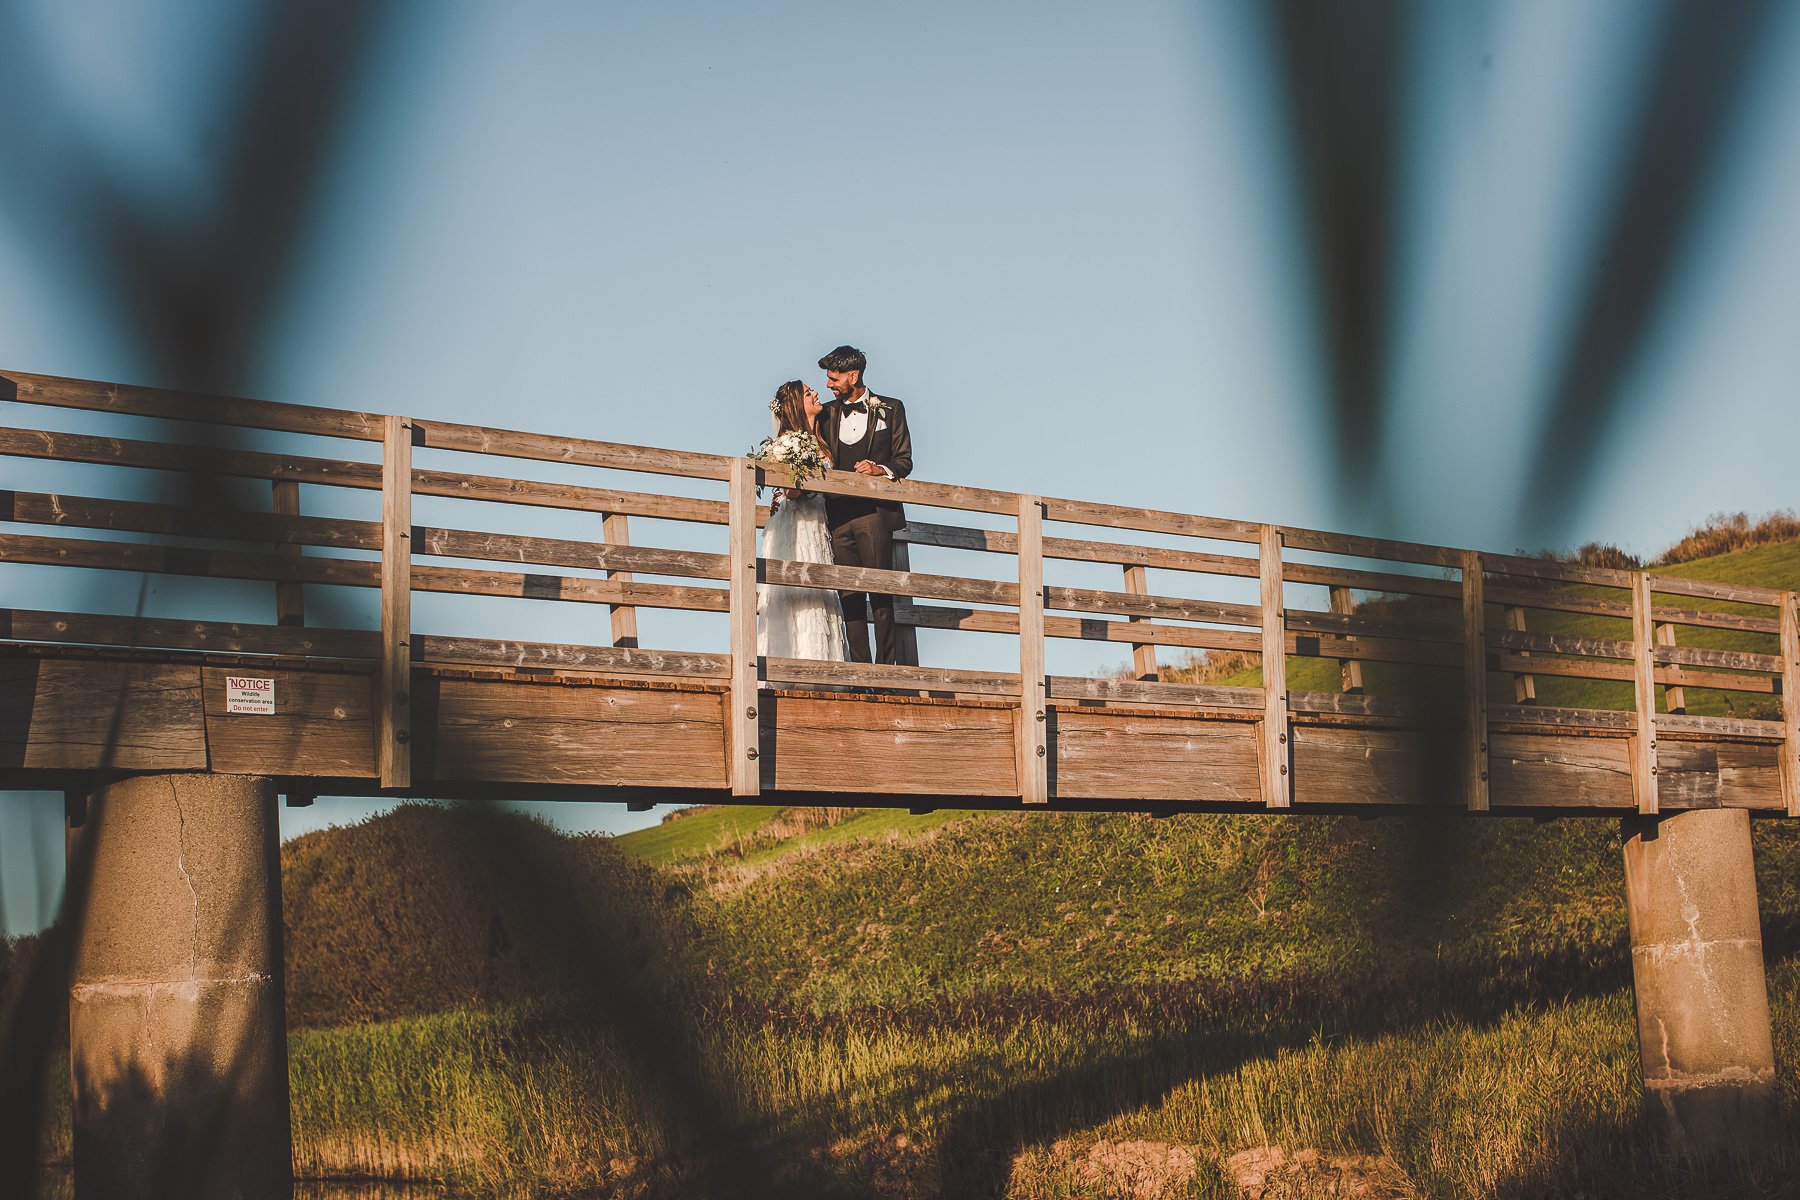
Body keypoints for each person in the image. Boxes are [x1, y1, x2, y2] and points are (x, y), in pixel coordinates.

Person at [818, 344, 913, 665]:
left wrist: (879, 470)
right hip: (838, 515)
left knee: (881, 592)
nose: (829, 385)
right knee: (849, 594)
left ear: (853, 375)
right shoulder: (827, 413)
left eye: (834, 378)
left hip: (875, 515)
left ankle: (887, 670)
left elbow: (904, 460)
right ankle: (860, 669)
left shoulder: (891, 408)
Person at [756, 380, 849, 663]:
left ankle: (822, 665)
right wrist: (799, 486)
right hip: (794, 524)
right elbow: (790, 492)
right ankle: (787, 663)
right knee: (791, 588)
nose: (816, 394)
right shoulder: (785, 444)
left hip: (817, 524)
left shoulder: (819, 439)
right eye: (809, 393)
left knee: (817, 590)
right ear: (798, 404)